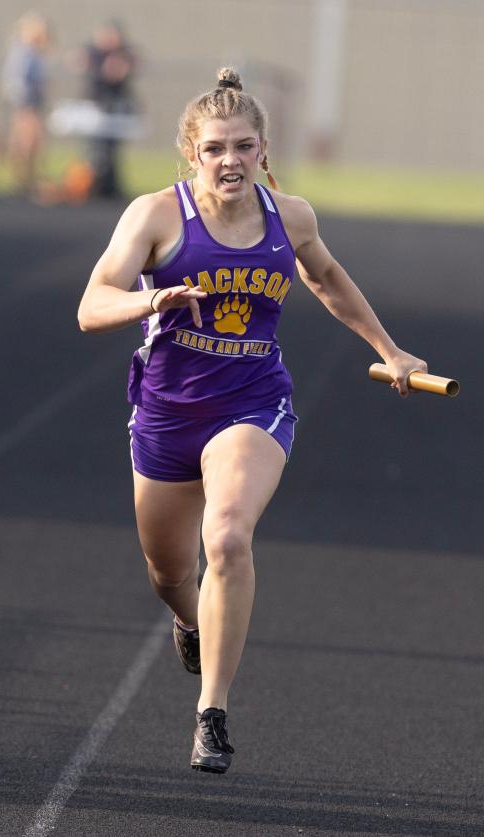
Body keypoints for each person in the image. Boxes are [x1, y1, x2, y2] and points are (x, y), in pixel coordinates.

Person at [77, 68, 425, 774]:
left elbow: (326, 278)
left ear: (263, 150)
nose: (229, 160)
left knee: (229, 535)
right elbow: (91, 305)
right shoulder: (156, 215)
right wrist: (152, 303)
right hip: (168, 411)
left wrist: (390, 350)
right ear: (192, 154)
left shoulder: (290, 216)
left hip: (253, 402)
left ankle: (212, 713)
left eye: (242, 146)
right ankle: (187, 619)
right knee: (169, 570)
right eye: (214, 148)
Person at [77, 19, 138, 199]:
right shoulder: (95, 54)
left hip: (115, 109)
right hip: (97, 107)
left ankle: (110, 185)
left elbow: (123, 69)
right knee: (95, 149)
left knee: (112, 149)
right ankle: (93, 184)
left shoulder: (123, 53)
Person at [0, 11, 51, 195]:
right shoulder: (23, 53)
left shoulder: (35, 53)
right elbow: (16, 82)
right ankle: (22, 181)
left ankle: (29, 179)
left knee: (34, 144)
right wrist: (24, 105)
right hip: (25, 105)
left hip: (33, 105)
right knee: (25, 142)